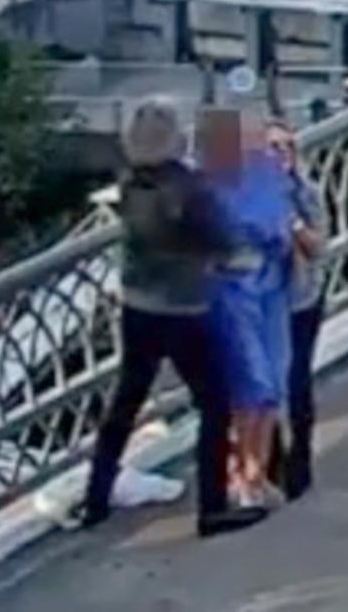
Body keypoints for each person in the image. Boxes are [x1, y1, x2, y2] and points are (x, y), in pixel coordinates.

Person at [80, 98, 268, 538]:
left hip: (137, 306)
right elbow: (223, 243)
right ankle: (213, 508)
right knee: (214, 403)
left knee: (125, 402)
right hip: (184, 309)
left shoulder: (130, 184)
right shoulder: (190, 188)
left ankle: (96, 498)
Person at [204, 110, 295, 509]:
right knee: (249, 385)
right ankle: (242, 475)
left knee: (269, 382)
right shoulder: (216, 179)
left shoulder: (267, 171)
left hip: (267, 286)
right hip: (233, 292)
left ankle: (255, 474)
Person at [265, 119, 328, 500]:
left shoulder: (306, 192)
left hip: (301, 298)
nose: (281, 154)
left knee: (297, 380)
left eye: (287, 146)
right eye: (272, 147)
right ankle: (271, 459)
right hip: (263, 302)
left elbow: (318, 245)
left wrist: (291, 224)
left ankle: (300, 455)